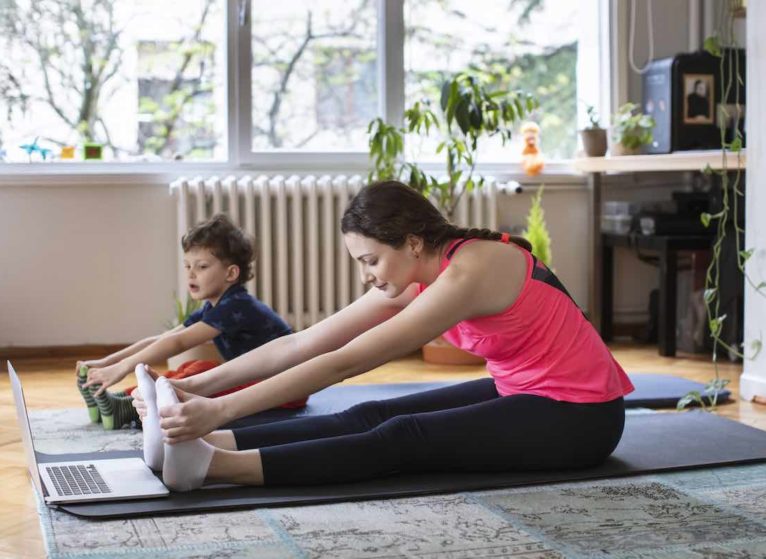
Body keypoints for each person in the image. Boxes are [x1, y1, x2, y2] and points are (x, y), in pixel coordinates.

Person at [133, 181, 634, 491]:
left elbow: (343, 363)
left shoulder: (468, 272)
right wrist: (194, 392)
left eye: (370, 261)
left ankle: (214, 466)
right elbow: (304, 344)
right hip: (525, 392)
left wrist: (220, 405)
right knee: (371, 413)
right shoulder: (419, 270)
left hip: (581, 416)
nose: (367, 275)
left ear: (412, 242)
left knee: (402, 436)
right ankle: (209, 441)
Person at [76, 214, 304, 430]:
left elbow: (179, 344)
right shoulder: (215, 305)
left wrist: (122, 368)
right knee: (189, 368)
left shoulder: (237, 305)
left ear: (231, 274)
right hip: (256, 382)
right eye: (187, 266)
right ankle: (120, 400)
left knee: (201, 373)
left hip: (283, 389)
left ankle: (127, 409)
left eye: (202, 266)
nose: (191, 274)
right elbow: (166, 338)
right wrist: (109, 362)